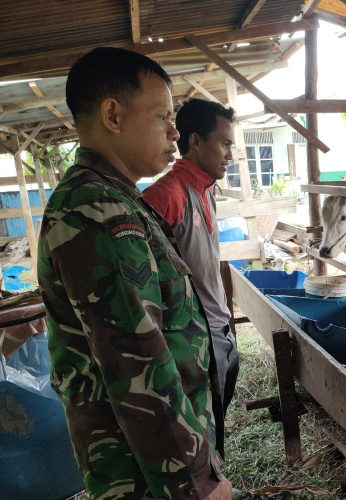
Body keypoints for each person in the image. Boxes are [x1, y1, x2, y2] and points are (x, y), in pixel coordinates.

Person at [37, 47, 234, 500]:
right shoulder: (97, 212)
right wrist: (196, 482)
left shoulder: (116, 200)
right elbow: (138, 365)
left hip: (158, 458)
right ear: (113, 115)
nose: (173, 130)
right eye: (162, 116)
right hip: (148, 472)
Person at [143, 98, 240, 415]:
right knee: (200, 428)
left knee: (216, 423)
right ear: (195, 141)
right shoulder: (166, 194)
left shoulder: (207, 188)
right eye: (224, 144)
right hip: (193, 342)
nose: (230, 155)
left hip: (219, 329)